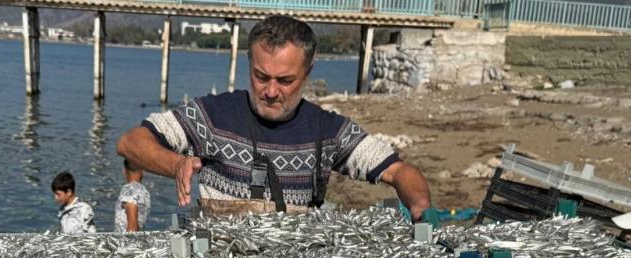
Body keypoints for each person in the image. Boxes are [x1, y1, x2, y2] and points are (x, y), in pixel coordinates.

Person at [116, 15, 430, 218]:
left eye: (285, 80)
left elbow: (398, 171)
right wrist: (176, 164)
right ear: (249, 63)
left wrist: (419, 206)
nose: (270, 90)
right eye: (261, 76)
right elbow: (131, 143)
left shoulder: (328, 130)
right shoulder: (210, 115)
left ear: (307, 73)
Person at [115, 159, 151, 233]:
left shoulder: (129, 189)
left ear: (124, 171)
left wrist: (128, 243)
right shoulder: (143, 191)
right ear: (143, 171)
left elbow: (133, 226)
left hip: (124, 242)